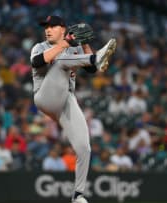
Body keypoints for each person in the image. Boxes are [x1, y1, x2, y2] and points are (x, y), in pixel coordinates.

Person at [30, 15, 116, 203]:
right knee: (62, 61)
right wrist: (66, 45)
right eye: (46, 26)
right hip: (44, 96)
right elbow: (37, 63)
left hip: (66, 99)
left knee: (84, 147)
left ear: (63, 28)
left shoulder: (74, 47)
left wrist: (84, 44)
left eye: (52, 26)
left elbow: (92, 70)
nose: (48, 29)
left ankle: (78, 195)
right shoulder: (40, 46)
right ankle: (96, 57)